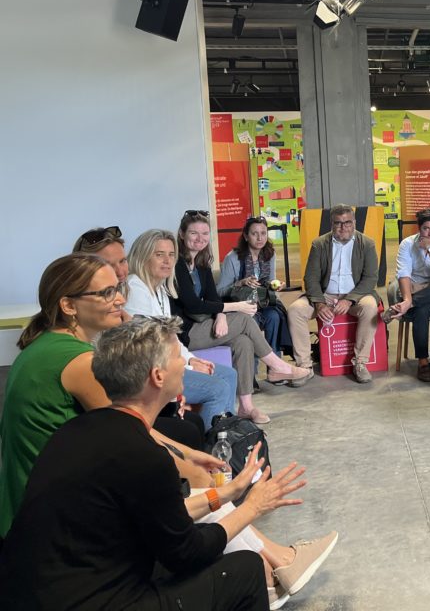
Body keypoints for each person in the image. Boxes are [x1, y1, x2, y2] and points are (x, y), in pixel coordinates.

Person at [0, 316, 319, 610]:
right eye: (178, 356)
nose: (184, 363)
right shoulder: (146, 457)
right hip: (89, 600)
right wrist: (252, 507)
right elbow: (187, 552)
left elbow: (166, 517)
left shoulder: (76, 430)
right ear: (158, 376)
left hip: (27, 592)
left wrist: (225, 493)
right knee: (245, 569)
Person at [0, 254, 225, 536]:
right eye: (107, 293)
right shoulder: (80, 363)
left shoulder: (50, 343)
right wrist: (194, 473)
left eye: (118, 289)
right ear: (68, 306)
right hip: (48, 518)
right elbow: (132, 435)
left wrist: (190, 456)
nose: (120, 300)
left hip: (36, 502)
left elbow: (131, 427)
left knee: (184, 445)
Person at [172, 210, 311, 426]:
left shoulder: (201, 262)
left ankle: (246, 407)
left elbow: (212, 296)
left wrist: (221, 315)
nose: (200, 238)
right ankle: (278, 366)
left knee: (244, 341)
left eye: (205, 233)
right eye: (193, 233)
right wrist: (234, 306)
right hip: (184, 333)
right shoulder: (177, 265)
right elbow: (192, 304)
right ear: (182, 234)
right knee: (244, 318)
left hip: (204, 323)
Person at [126, 228, 238, 428]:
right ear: (143, 256)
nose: (167, 261)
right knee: (218, 388)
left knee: (229, 374)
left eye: (171, 255)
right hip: (150, 373)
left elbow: (171, 336)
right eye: (159, 254)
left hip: (169, 364)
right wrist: (188, 366)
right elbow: (151, 347)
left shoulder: (160, 288)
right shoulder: (135, 288)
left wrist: (191, 359)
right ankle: (212, 443)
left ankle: (227, 432)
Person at [286, 204, 381, 384]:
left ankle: (360, 363)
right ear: (332, 224)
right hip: (325, 295)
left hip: (356, 295)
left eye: (347, 222)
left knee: (370, 307)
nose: (343, 227)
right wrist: (319, 303)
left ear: (354, 223)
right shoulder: (319, 244)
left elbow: (370, 278)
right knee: (295, 310)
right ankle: (304, 366)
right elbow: (311, 278)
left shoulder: (367, 244)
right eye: (338, 223)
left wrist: (350, 300)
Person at [387, 207, 430, 383]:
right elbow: (403, 274)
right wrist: (407, 298)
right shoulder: (407, 244)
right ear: (419, 228)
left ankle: (406, 306)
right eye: (426, 228)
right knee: (422, 307)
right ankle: (423, 362)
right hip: (414, 290)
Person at [217, 216, 290, 358]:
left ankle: (275, 364)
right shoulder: (232, 258)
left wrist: (275, 285)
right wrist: (240, 283)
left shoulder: (269, 254)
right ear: (245, 236)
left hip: (263, 303)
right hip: (241, 306)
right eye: (254, 233)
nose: (260, 238)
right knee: (251, 322)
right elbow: (219, 292)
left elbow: (269, 281)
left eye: (263, 233)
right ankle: (252, 366)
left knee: (275, 317)